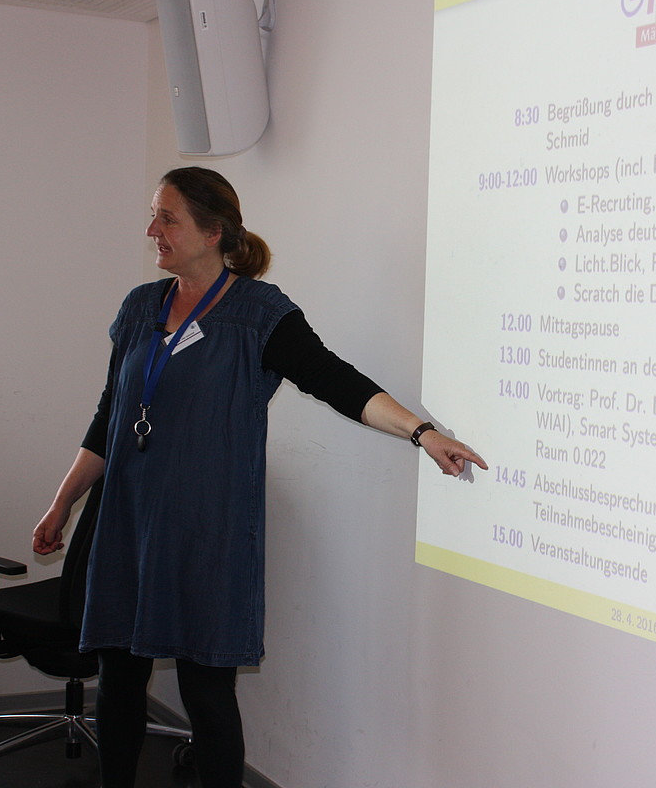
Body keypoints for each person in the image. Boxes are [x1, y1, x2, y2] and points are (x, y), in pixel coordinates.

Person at [32, 167, 486, 787]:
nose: (152, 229)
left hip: (207, 531)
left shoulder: (258, 314)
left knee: (206, 690)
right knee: (119, 680)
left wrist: (422, 431)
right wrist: (63, 504)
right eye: (154, 215)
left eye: (168, 218)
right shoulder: (140, 308)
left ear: (213, 231)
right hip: (127, 523)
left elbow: (333, 379)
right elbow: (110, 416)